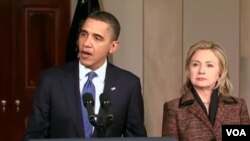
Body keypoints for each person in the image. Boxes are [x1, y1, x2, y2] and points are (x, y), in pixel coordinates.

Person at [23, 11, 147, 140]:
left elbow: (136, 137)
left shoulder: (128, 85)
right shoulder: (51, 80)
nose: (86, 43)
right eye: (83, 34)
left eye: (97, 38)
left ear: (113, 47)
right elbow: (34, 136)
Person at [162, 40, 250, 141]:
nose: (201, 71)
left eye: (209, 65)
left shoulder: (238, 106)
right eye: (195, 64)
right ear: (188, 70)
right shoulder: (174, 108)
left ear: (221, 72)